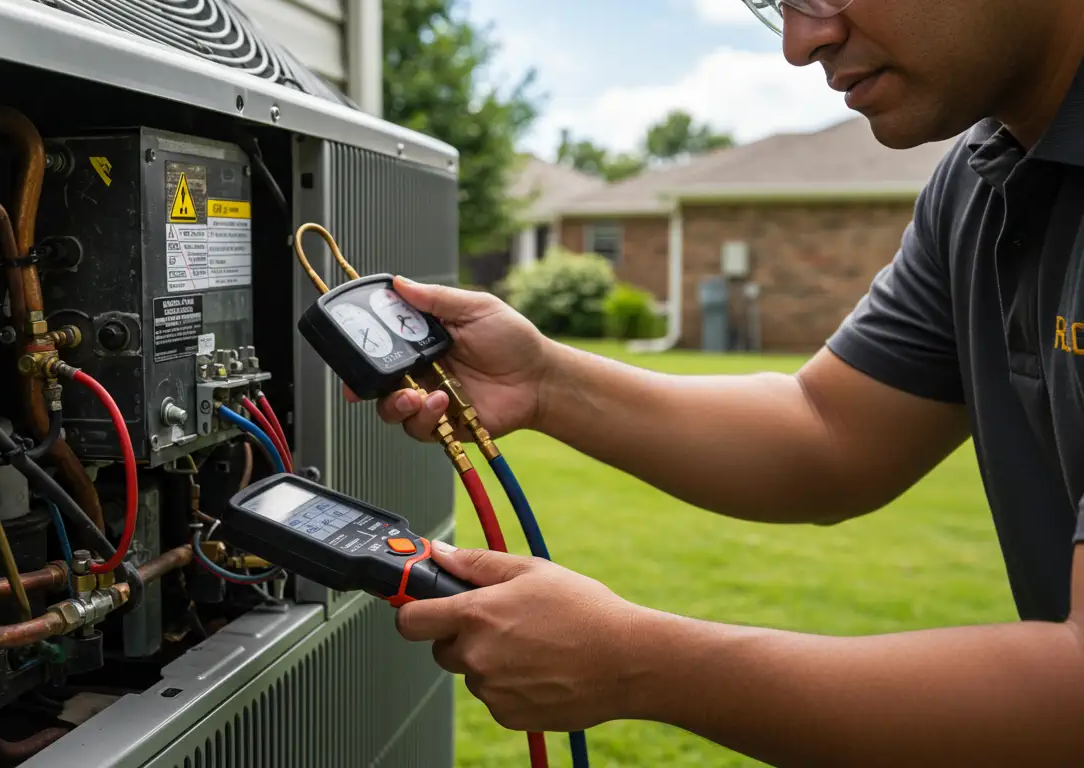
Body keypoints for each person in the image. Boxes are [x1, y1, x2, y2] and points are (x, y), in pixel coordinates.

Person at [362, 0, 1084, 764]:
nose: (803, 44)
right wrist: (543, 381)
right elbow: (829, 432)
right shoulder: (982, 181)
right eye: (777, 4)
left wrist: (637, 662)